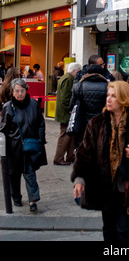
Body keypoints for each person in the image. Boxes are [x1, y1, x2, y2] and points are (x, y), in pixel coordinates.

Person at [72, 81, 129, 242]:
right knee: (108, 229)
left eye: (113, 96)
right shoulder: (96, 123)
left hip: (128, 186)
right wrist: (79, 178)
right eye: (108, 95)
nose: (108, 100)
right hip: (104, 186)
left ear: (124, 99)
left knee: (124, 230)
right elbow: (84, 153)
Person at [0, 79, 47, 212]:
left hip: (31, 145)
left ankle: (33, 200)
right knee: (14, 174)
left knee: (30, 172)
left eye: (22, 90)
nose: (20, 93)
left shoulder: (33, 104)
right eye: (17, 91)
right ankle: (16, 197)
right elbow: (3, 128)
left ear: (26, 91)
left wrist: (40, 139)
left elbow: (40, 123)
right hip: (14, 147)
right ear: (12, 92)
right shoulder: (8, 107)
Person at [69, 64, 109, 147]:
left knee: (82, 144)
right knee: (100, 143)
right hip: (101, 119)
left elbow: (73, 104)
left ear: (87, 73)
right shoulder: (108, 86)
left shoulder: (78, 86)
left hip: (82, 119)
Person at [53, 62, 82, 165]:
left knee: (70, 135)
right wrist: (69, 109)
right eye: (79, 71)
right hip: (66, 113)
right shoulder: (68, 79)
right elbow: (65, 98)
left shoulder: (66, 78)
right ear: (74, 71)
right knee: (65, 135)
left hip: (65, 112)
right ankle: (58, 158)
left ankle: (70, 156)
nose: (79, 73)